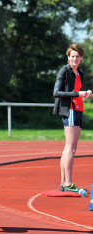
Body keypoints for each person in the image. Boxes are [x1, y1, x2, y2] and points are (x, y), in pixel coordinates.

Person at [53, 44, 90, 195]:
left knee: (71, 147)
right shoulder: (64, 71)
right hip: (70, 110)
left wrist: (84, 94)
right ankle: (68, 183)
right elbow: (57, 92)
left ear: (81, 58)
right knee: (70, 147)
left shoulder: (79, 72)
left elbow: (77, 91)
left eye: (77, 56)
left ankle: (64, 183)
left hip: (79, 109)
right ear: (68, 57)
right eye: (72, 56)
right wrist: (77, 94)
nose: (74, 59)